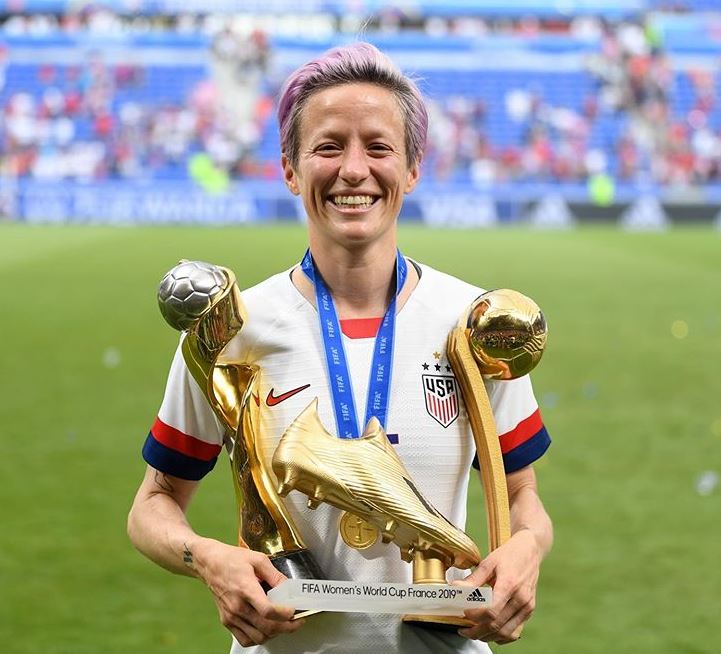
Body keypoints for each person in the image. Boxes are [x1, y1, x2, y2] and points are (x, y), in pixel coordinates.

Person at [127, 42, 553, 653]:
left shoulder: (474, 324)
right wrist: (207, 557)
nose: (354, 170)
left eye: (378, 147)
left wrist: (526, 549)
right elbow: (154, 503)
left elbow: (522, 495)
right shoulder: (231, 329)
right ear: (290, 169)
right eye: (329, 147)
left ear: (412, 168)